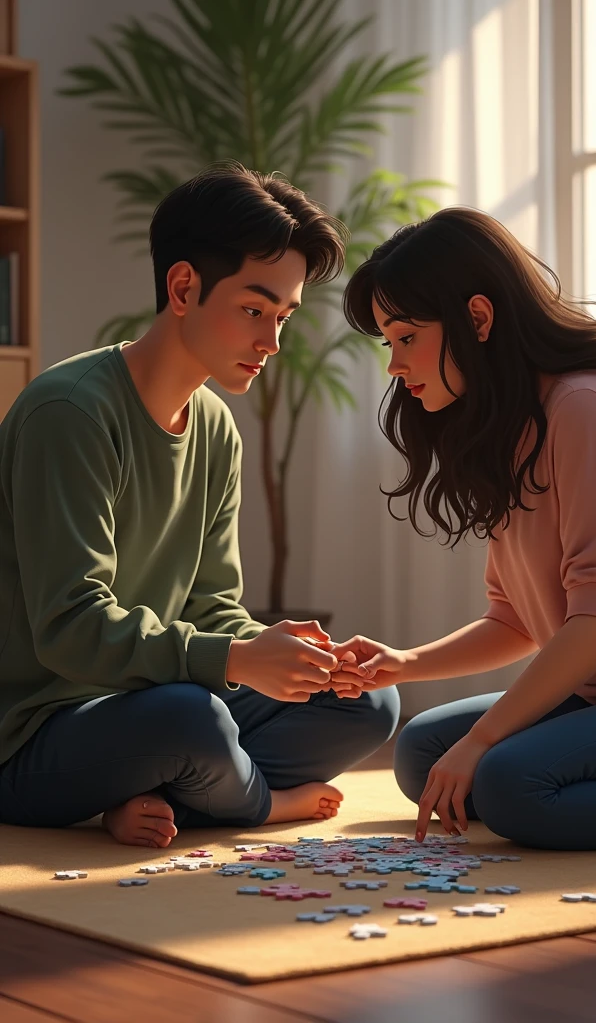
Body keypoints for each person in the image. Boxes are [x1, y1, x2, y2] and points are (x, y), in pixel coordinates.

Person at [0, 163, 400, 848]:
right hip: (37, 730)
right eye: (254, 310)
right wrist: (237, 661)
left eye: (283, 317)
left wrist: (274, 652)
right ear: (183, 288)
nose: (272, 343)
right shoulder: (70, 412)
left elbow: (211, 605)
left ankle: (163, 794)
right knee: (189, 721)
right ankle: (257, 804)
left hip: (145, 705)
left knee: (366, 700)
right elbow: (70, 630)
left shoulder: (215, 428)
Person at [329, 207, 596, 852]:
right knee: (424, 751)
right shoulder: (515, 430)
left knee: (507, 782)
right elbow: (516, 621)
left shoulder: (587, 408)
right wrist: (404, 664)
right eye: (389, 343)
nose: (394, 367)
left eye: (407, 338)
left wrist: (487, 739)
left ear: (478, 320)